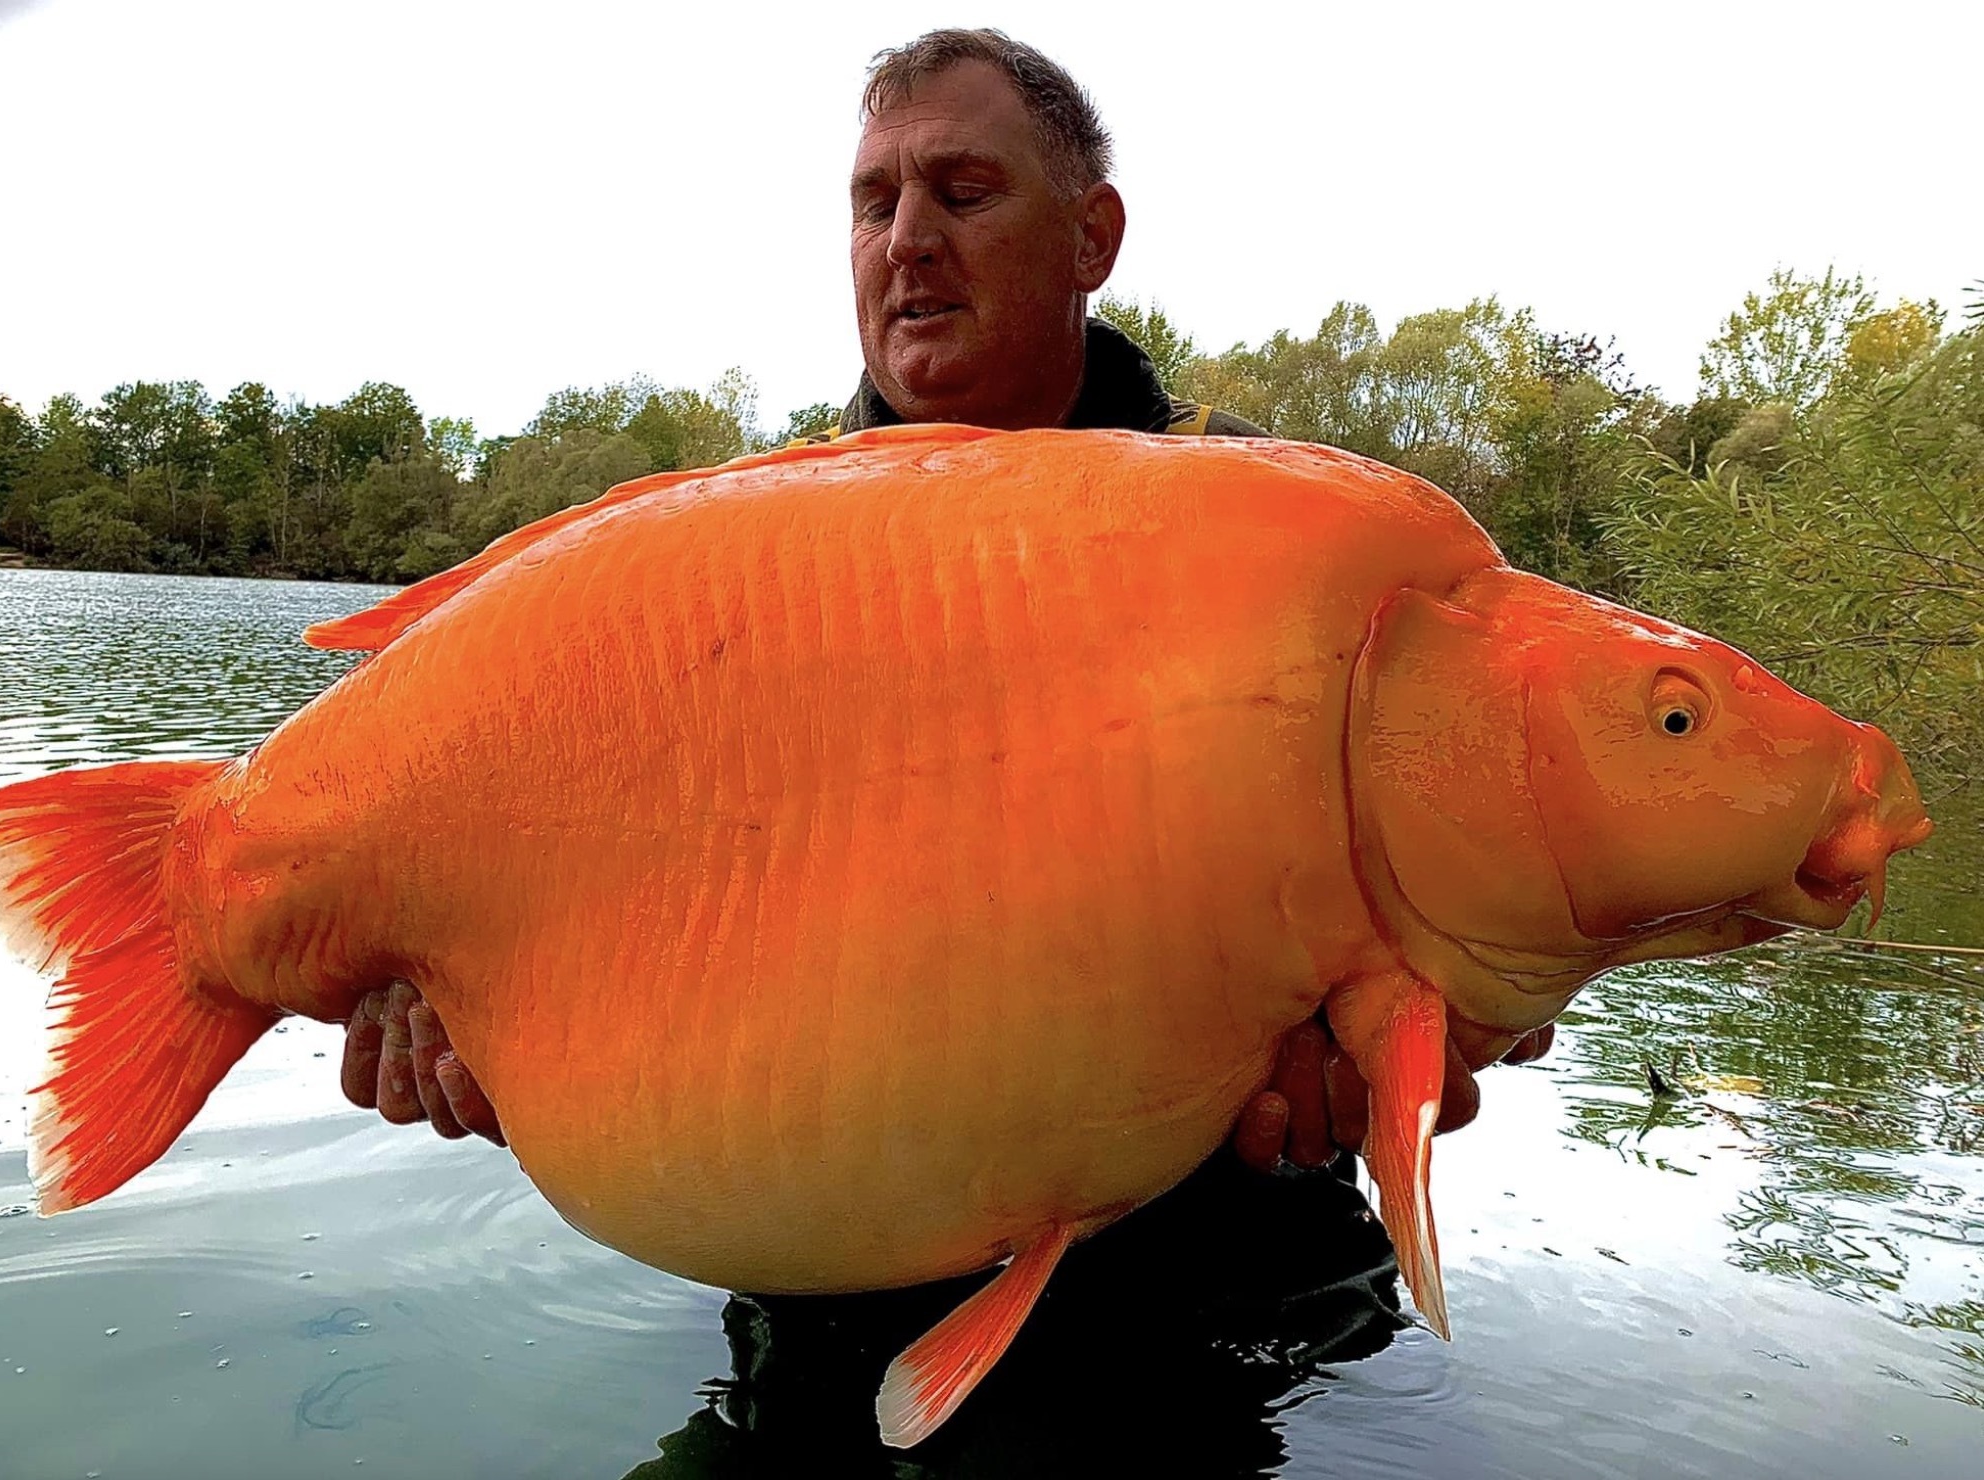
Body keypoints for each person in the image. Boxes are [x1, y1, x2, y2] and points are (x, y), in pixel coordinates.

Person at [339, 27, 1550, 1175]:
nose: (907, 240)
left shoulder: (1289, 530)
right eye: (875, 204)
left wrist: (1447, 1016)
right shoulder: (731, 550)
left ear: (1092, 237)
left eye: (962, 193)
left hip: (1232, 1249)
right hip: (838, 1219)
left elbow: (1492, 894)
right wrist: (499, 1035)